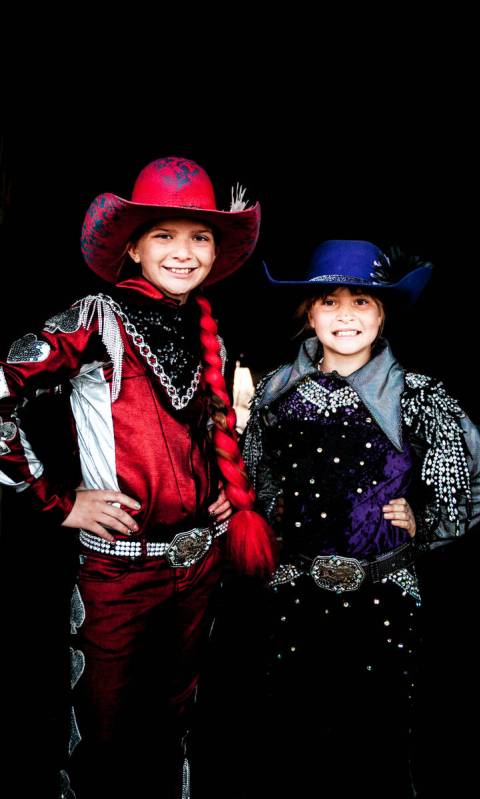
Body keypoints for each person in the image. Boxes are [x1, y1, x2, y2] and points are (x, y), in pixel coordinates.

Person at [0, 156, 275, 799]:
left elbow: (206, 433)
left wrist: (224, 496)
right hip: (118, 571)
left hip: (199, 570)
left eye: (200, 237)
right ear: (131, 246)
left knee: (175, 728)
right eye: (165, 235)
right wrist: (57, 502)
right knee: (100, 736)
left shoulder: (208, 325)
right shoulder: (94, 317)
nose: (184, 252)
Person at [237, 240, 480, 798]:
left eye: (361, 301)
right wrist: (272, 507)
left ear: (382, 314)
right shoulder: (272, 392)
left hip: (383, 594)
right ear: (308, 314)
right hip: (293, 595)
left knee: (376, 738)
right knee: (292, 734)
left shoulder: (417, 395)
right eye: (330, 302)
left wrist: (430, 520)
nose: (345, 314)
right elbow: (251, 471)